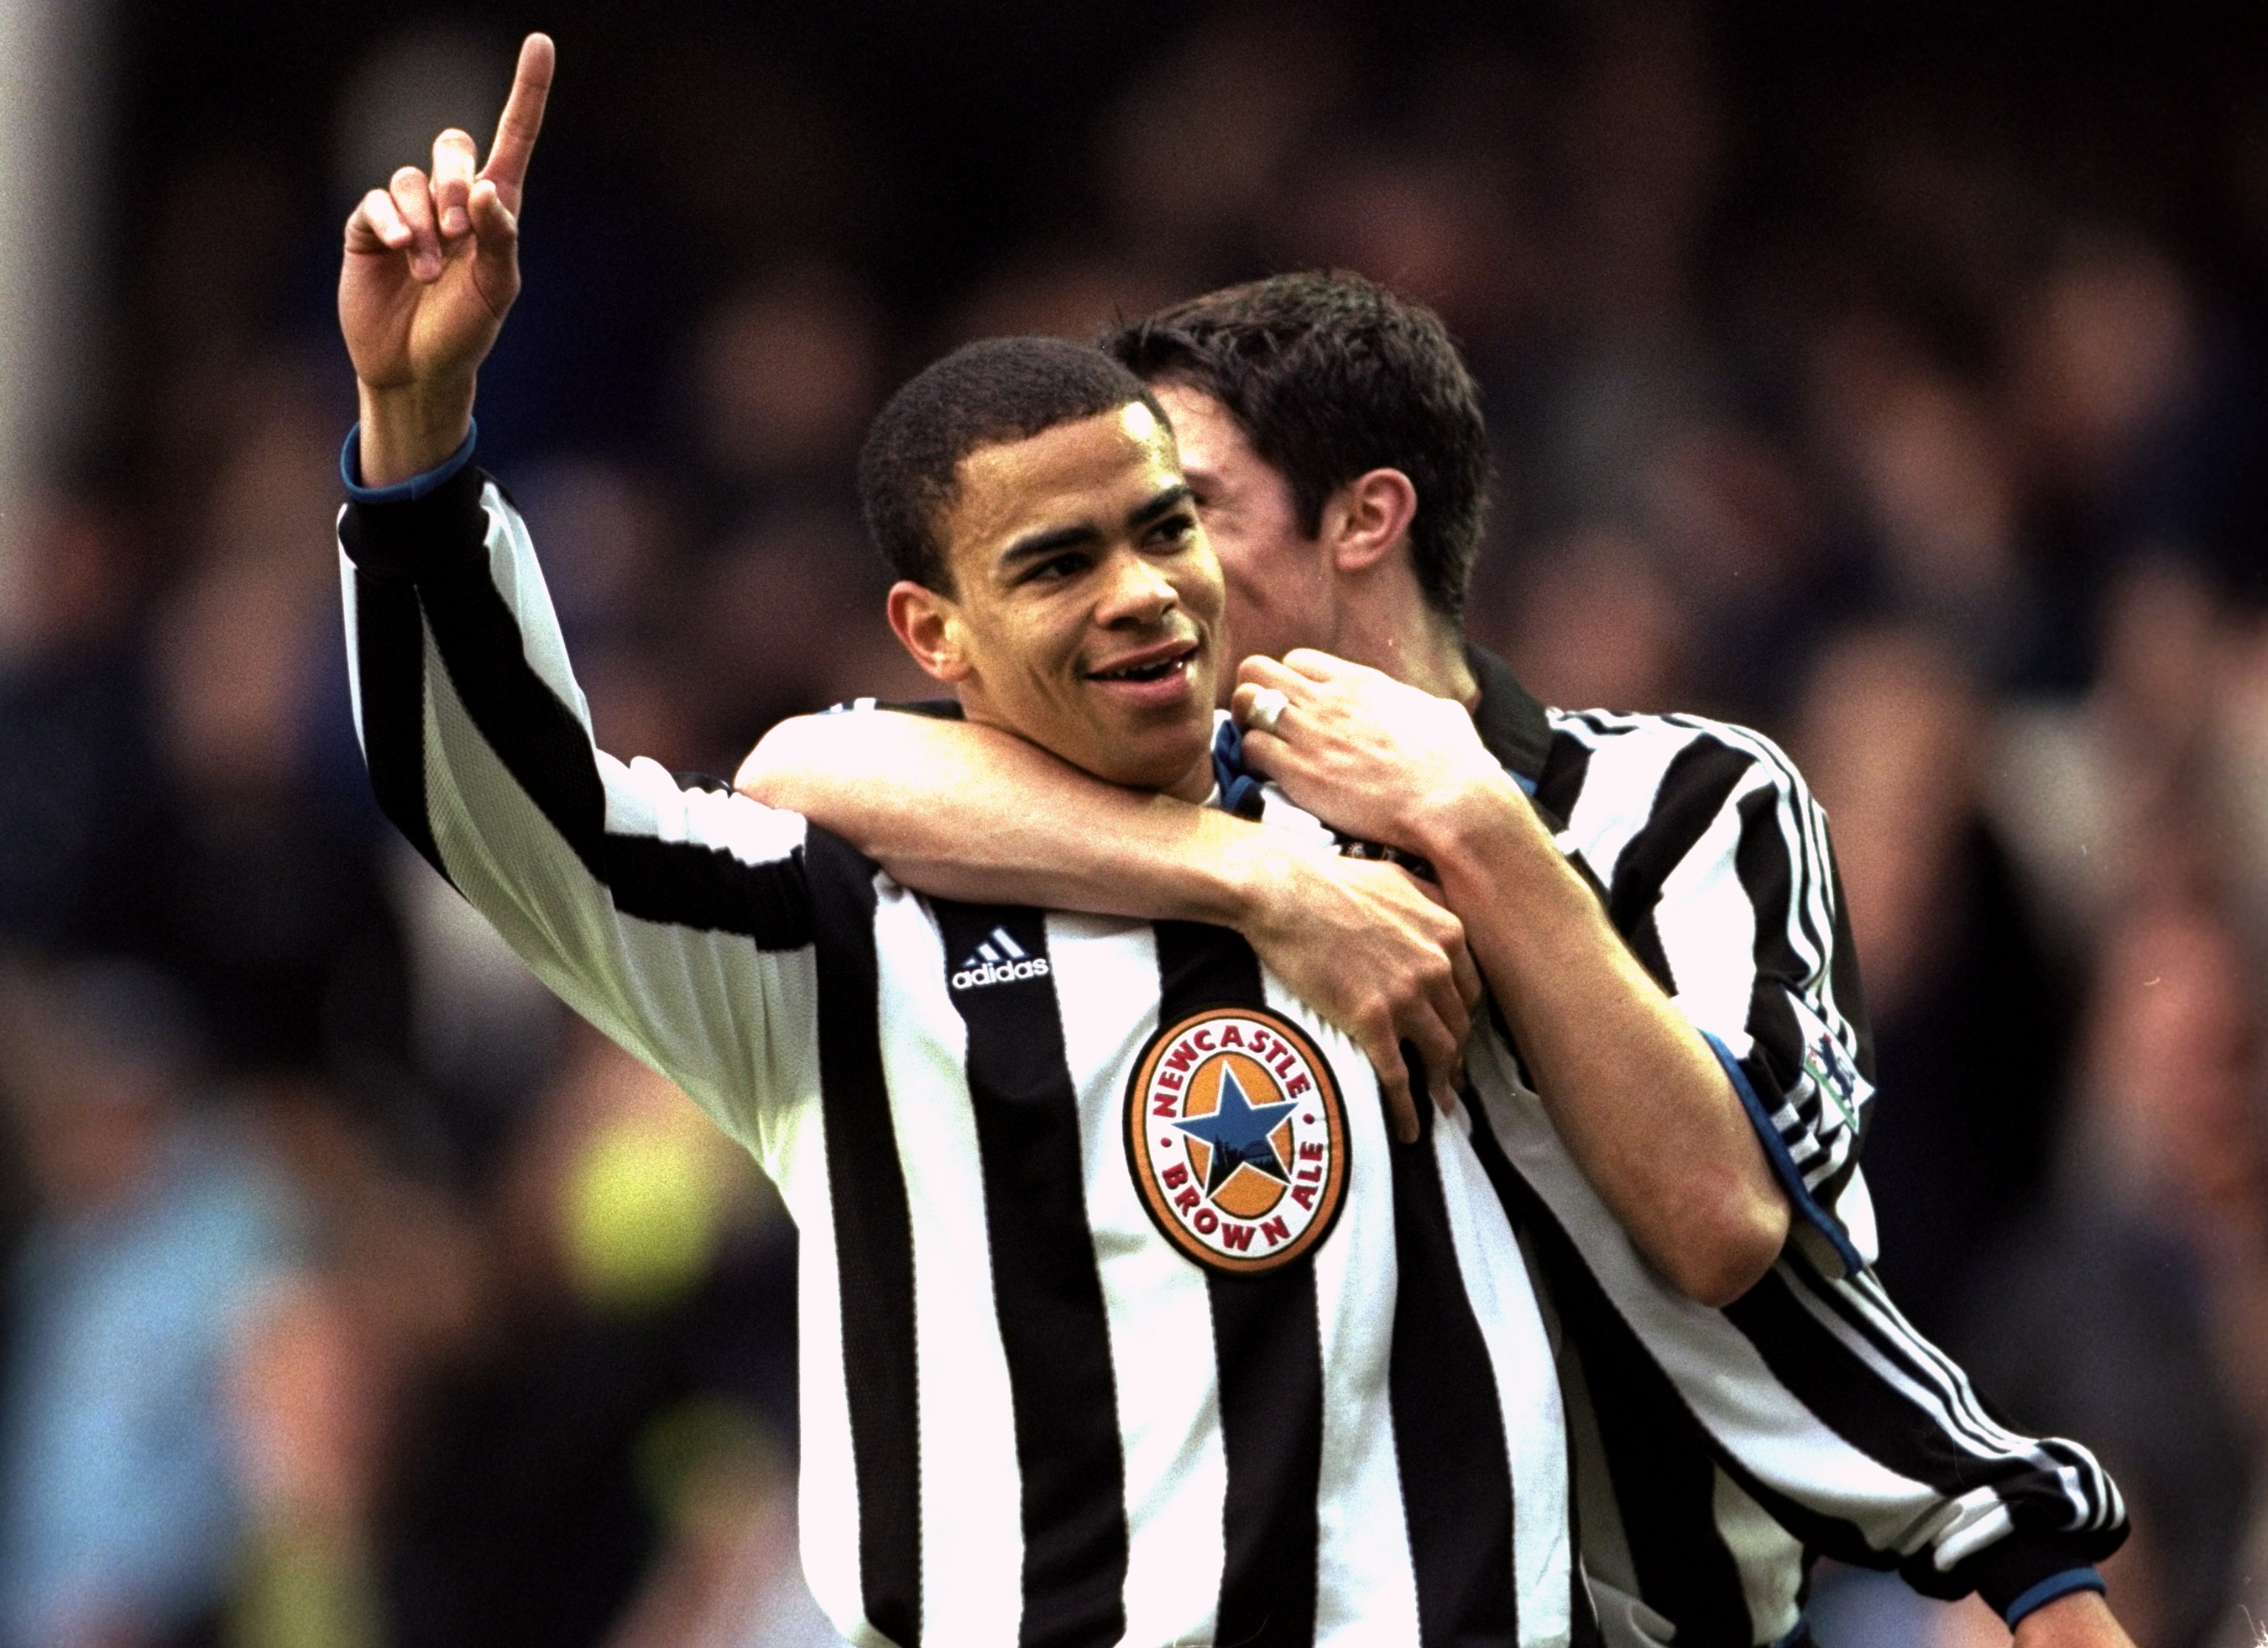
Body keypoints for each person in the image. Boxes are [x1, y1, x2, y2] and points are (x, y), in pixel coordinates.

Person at [334, 38, 1623, 1646]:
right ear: (929, 633)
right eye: (1058, 562)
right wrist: (418, 420)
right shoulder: (829, 930)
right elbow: (521, 815)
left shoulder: (1405, 805)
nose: (1144, 590)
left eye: (1167, 527)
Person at [737, 272, 2137, 1648]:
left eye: (1187, 513)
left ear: (1367, 518)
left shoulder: (1697, 805)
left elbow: (1727, 1230)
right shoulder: (1157, 828)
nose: (1151, 577)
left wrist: (1467, 820)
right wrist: (1258, 878)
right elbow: (804, 763)